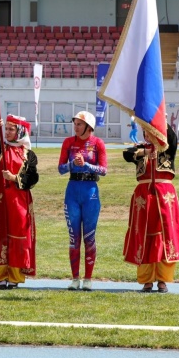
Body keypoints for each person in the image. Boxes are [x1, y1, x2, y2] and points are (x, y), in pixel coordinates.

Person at [123, 125, 179, 293]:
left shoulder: (168, 148)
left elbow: (172, 138)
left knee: (165, 235)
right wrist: (145, 153)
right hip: (143, 199)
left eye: (152, 130)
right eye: (146, 130)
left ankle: (163, 279)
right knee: (144, 236)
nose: (149, 134)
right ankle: (147, 280)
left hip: (165, 197)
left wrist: (159, 121)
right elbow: (126, 154)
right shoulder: (141, 149)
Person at [0, 115, 39, 289]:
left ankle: (15, 276)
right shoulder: (2, 148)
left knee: (18, 235)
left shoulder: (29, 154)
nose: (8, 132)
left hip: (18, 201)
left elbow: (33, 178)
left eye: (12, 129)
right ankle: (0, 276)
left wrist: (14, 178)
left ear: (20, 132)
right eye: (7, 129)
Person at [58, 111, 107, 291]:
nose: (75, 127)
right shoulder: (68, 142)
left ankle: (88, 278)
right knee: (74, 238)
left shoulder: (98, 144)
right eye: (75, 124)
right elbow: (60, 169)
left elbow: (103, 170)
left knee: (89, 237)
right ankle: (75, 278)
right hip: (72, 191)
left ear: (89, 127)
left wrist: (86, 165)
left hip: (91, 193)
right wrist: (72, 165)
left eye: (79, 124)